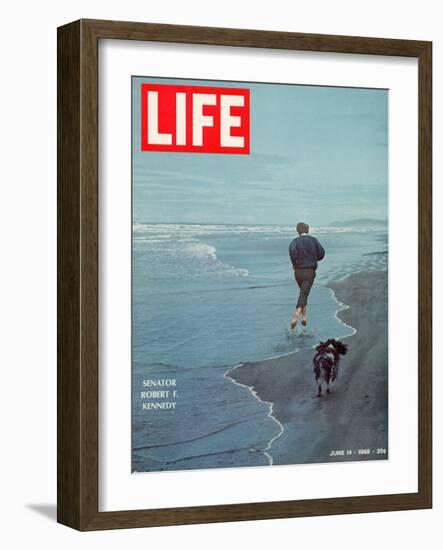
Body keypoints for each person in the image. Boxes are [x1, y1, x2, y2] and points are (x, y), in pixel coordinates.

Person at [288, 222, 325, 328]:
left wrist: (294, 263)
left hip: (298, 272)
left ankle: (304, 317)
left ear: (298, 231)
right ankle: (296, 314)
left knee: (303, 293)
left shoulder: (294, 241)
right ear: (308, 230)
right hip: (309, 271)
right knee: (304, 293)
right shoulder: (313, 240)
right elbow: (321, 253)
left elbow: (291, 251)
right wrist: (314, 258)